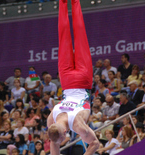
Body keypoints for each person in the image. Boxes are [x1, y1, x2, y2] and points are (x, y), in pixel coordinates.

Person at [47, 0, 99, 154]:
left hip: (83, 80)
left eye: (61, 140)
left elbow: (95, 144)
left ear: (64, 133)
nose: (60, 143)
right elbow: (54, 143)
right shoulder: (51, 121)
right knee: (63, 37)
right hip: (67, 80)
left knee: (80, 35)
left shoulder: (78, 126)